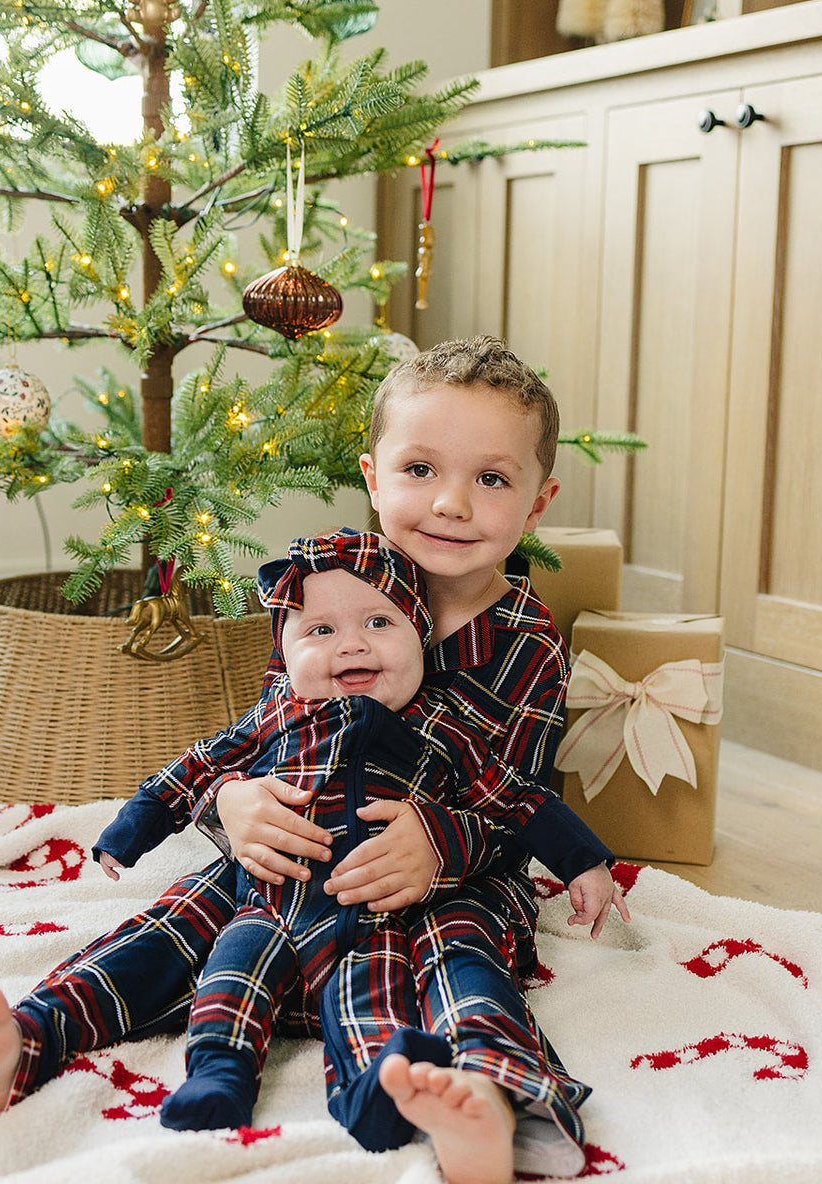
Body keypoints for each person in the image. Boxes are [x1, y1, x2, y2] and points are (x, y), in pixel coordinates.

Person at [204, 335, 626, 1183]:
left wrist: (438, 844)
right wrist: (233, 802)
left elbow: (518, 803)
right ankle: (32, 1038)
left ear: (536, 504)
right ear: (373, 476)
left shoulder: (527, 645)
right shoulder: (327, 597)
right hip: (313, 854)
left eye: (492, 479)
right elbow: (262, 731)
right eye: (421, 470)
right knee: (202, 915)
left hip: (454, 877)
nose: (452, 504)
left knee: (460, 946)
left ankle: (493, 1097)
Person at [90, 529, 616, 1135]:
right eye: (320, 632)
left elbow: (519, 796)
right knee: (228, 977)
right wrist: (133, 830)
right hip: (272, 899)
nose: (352, 645)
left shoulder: (441, 727)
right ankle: (213, 1078)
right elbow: (199, 765)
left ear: (420, 639)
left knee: (372, 1000)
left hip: (382, 908)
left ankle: (415, 1096)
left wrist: (583, 860)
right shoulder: (279, 711)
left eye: (379, 624)